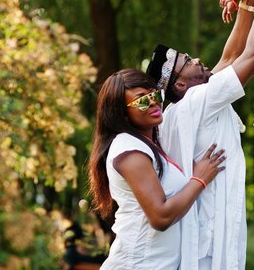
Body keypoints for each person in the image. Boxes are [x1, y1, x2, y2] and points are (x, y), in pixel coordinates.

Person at [145, 0, 254, 270]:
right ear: (179, 85)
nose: (196, 59)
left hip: (203, 242)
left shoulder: (180, 109)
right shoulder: (199, 101)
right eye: (186, 61)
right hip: (209, 250)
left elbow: (230, 54)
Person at [88, 68, 226, 270]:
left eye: (155, 93)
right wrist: (199, 180)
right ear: (122, 113)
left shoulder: (149, 144)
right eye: (142, 99)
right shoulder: (129, 150)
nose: (153, 101)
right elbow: (160, 217)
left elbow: (226, 68)